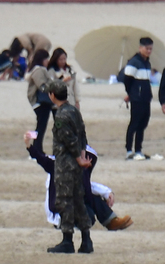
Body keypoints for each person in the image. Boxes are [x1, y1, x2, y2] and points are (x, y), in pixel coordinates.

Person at [27, 135, 132, 231]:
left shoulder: (78, 168)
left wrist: (107, 192)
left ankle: (111, 221)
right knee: (87, 214)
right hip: (61, 213)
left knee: (93, 201)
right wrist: (28, 145)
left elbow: (86, 185)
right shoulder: (58, 166)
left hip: (76, 206)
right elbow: (40, 158)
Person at [46, 80, 94, 253]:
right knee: (78, 200)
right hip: (75, 164)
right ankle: (86, 239)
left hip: (65, 163)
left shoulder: (60, 116)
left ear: (52, 95)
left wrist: (77, 157)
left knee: (64, 200)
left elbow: (70, 140)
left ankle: (67, 240)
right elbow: (82, 135)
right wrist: (82, 156)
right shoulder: (74, 111)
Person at [120, 36, 154, 160]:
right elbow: (127, 79)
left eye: (150, 49)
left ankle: (138, 149)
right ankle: (129, 150)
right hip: (137, 98)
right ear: (140, 48)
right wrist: (131, 93)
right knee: (134, 123)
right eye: (147, 48)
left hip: (146, 97)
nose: (149, 51)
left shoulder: (147, 62)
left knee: (143, 124)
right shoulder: (134, 62)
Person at [26, 49, 54, 145]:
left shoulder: (39, 70)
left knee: (40, 127)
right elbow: (42, 86)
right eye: (46, 59)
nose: (48, 61)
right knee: (40, 127)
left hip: (41, 103)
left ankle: (35, 147)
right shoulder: (38, 70)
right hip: (40, 102)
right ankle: (34, 147)